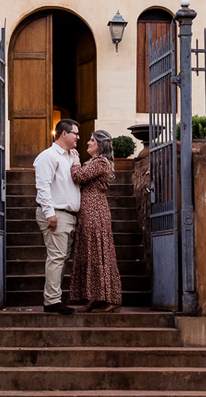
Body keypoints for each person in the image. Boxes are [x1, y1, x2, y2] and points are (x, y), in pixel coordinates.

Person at [69, 129, 123, 312]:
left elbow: (79, 176)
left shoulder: (101, 162)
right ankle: (94, 297)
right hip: (88, 211)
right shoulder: (94, 162)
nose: (87, 143)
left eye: (91, 140)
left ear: (100, 144)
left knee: (98, 252)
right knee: (90, 252)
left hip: (95, 211)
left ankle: (111, 298)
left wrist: (75, 162)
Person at [33, 118, 81, 313]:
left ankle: (53, 298)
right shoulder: (48, 156)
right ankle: (52, 301)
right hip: (56, 214)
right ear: (64, 134)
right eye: (75, 133)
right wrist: (50, 213)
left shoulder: (71, 156)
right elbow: (42, 186)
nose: (78, 137)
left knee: (61, 257)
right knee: (57, 257)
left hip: (68, 215)